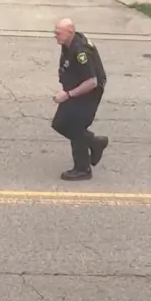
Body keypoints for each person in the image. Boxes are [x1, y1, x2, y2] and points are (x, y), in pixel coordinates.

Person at [52, 18, 108, 181]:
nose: (55, 36)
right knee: (60, 124)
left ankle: (83, 169)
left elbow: (92, 82)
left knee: (76, 127)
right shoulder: (67, 43)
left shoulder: (81, 51)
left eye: (58, 33)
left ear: (70, 32)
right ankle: (94, 142)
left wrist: (68, 94)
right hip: (74, 89)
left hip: (88, 93)